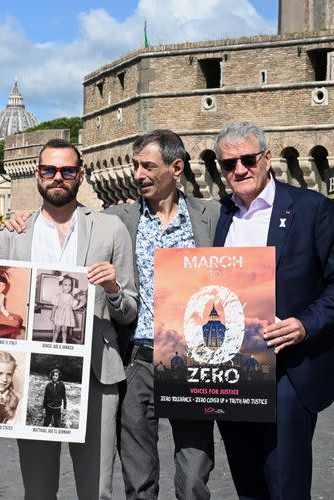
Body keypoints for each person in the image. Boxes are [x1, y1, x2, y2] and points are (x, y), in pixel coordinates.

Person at [211, 122, 334, 499]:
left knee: (286, 484)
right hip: (232, 373)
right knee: (247, 484)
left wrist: (305, 324)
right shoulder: (219, 215)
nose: (239, 169)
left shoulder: (311, 208)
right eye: (228, 163)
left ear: (267, 158)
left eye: (247, 159)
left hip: (290, 370)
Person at [0, 138, 138, 499]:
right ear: (37, 175)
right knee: (38, 490)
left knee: (97, 490)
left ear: (81, 175)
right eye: (49, 170)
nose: (58, 177)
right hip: (33, 372)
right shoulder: (12, 235)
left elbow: (130, 309)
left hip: (94, 373)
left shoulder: (110, 229)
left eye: (67, 170)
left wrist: (115, 289)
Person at [105, 130, 221, 500]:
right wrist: (20, 220)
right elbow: (70, 221)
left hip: (194, 358)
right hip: (137, 358)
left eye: (148, 166)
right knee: (138, 481)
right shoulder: (118, 218)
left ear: (177, 167)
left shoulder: (213, 216)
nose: (138, 174)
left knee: (193, 479)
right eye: (135, 165)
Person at [50, 275, 85, 344]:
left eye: (70, 285)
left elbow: (73, 305)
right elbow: (54, 307)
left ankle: (64, 342)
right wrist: (52, 316)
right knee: (57, 330)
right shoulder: (58, 296)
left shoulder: (71, 296)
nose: (68, 287)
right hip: (60, 315)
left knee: (65, 330)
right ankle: (53, 342)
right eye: (65, 285)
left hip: (67, 315)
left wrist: (78, 297)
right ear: (61, 286)